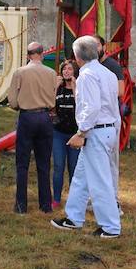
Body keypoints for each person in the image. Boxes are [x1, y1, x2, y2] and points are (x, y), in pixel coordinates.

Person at [50, 36, 121, 238]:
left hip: (95, 131)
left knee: (99, 181)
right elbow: (112, 105)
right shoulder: (106, 72)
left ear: (77, 55)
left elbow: (92, 108)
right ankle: (73, 218)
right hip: (104, 130)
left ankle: (110, 227)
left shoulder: (87, 75)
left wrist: (81, 132)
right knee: (81, 178)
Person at [7, 42, 59, 214]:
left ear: (28, 55)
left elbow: (13, 100)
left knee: (22, 163)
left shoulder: (20, 72)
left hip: (27, 116)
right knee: (44, 163)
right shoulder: (51, 73)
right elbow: (54, 96)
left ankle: (21, 206)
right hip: (45, 117)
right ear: (42, 54)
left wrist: (19, 106)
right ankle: (45, 205)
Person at [52, 60, 80, 209]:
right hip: (58, 133)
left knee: (74, 167)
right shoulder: (59, 89)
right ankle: (56, 198)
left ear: (75, 71)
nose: (66, 72)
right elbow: (50, 105)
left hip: (74, 133)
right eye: (64, 69)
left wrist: (75, 87)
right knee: (58, 166)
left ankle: (74, 199)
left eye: (70, 69)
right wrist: (55, 87)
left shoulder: (79, 87)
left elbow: (81, 107)